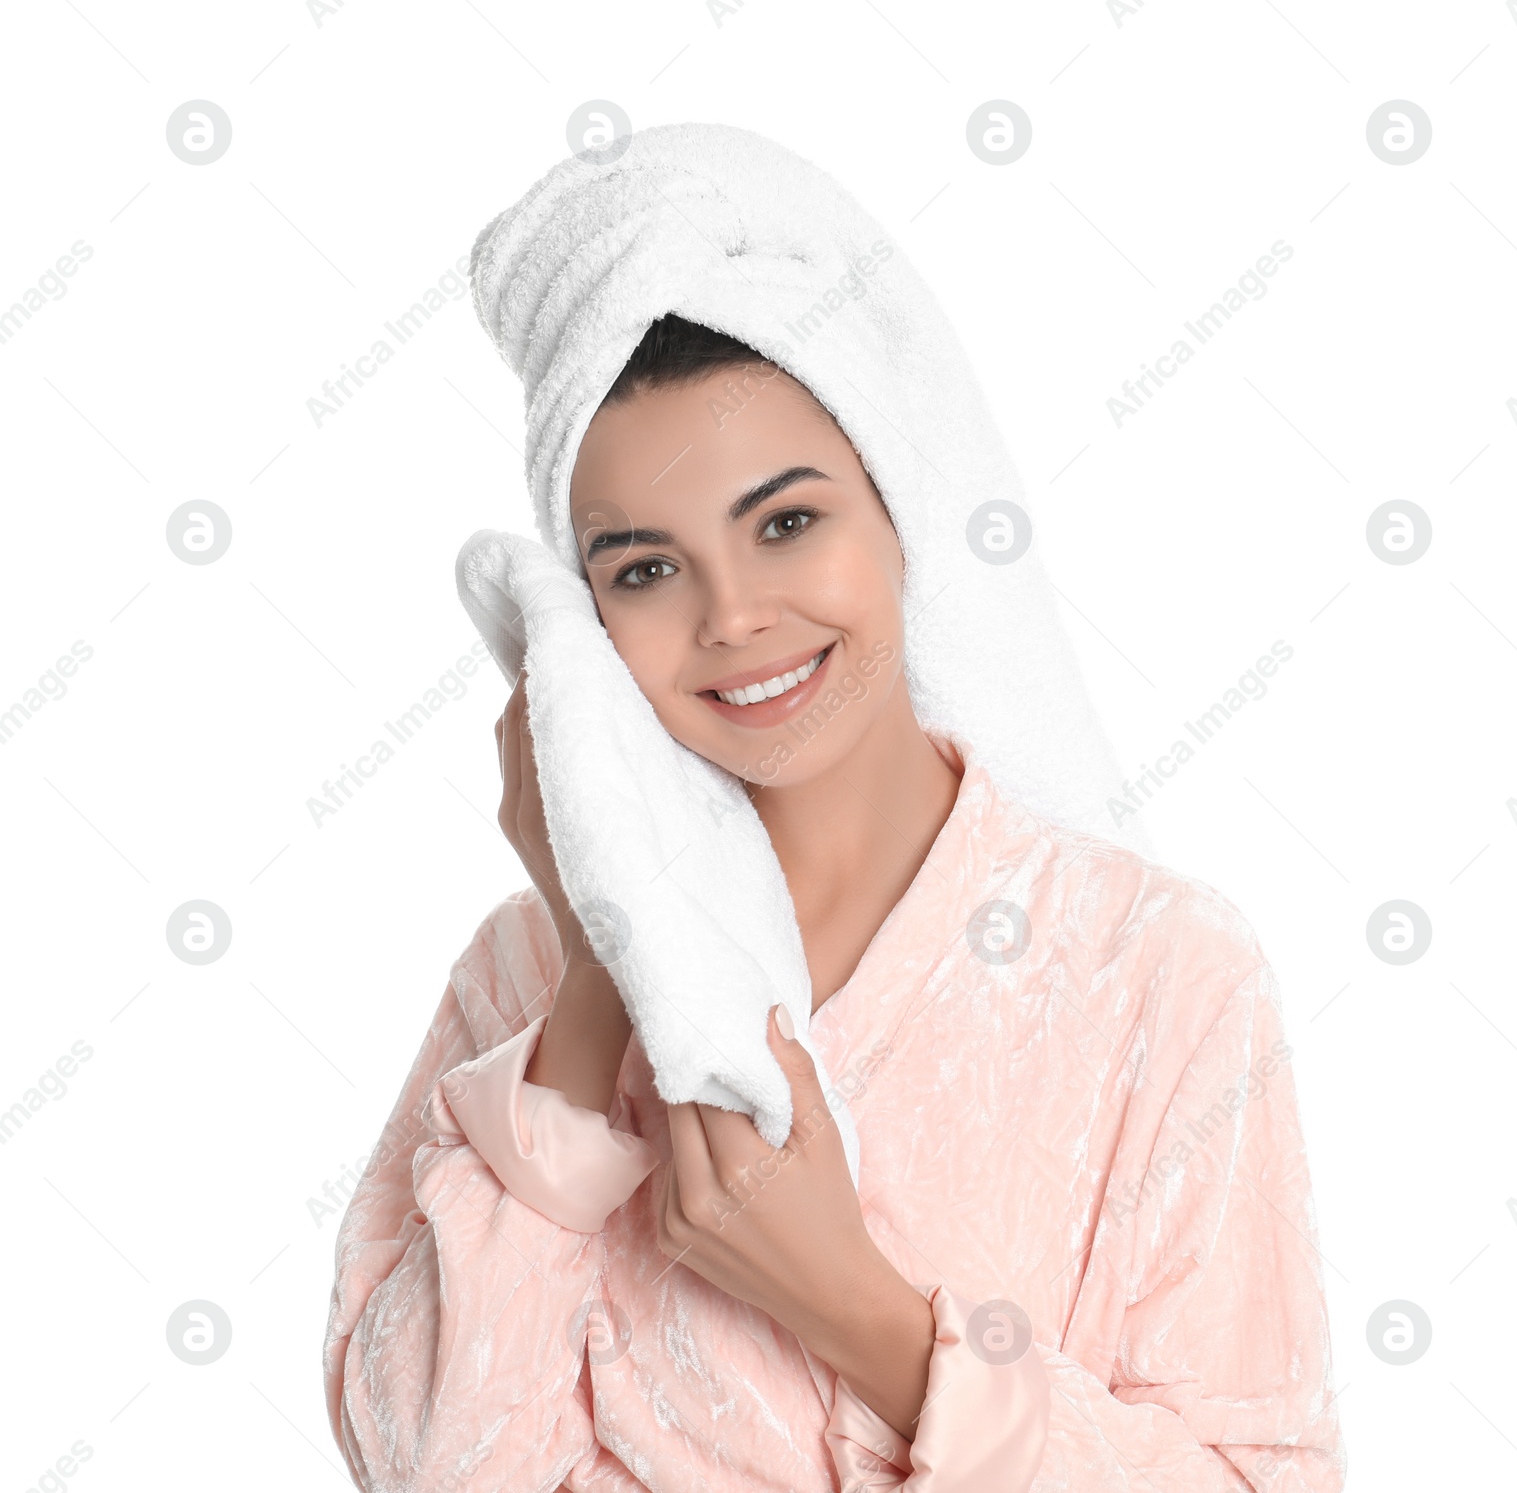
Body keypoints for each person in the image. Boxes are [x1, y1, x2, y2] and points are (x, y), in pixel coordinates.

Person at [321, 311, 1347, 1492]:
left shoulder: (1156, 966)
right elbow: (426, 1464)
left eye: (786, 522)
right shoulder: (524, 973)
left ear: (899, 517)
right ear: (585, 632)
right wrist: (601, 956)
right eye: (645, 569)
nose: (732, 616)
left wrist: (853, 1307)